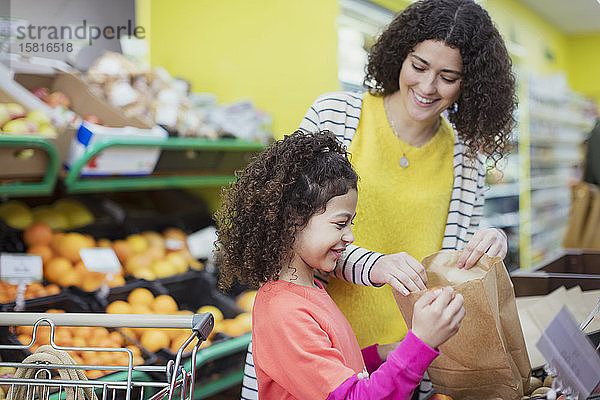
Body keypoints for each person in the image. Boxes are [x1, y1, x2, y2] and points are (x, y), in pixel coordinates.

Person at [240, 0, 515, 398]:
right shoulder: (335, 115)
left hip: (403, 357)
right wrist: (376, 265)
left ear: (470, 84)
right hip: (319, 348)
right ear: (399, 55)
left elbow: (451, 269)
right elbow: (289, 224)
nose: (426, 86)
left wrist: (488, 249)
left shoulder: (466, 160)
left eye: (447, 76)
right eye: (418, 67)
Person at [216, 130, 466, 399]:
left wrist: (382, 355)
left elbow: (334, 374)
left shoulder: (308, 290)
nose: (350, 237)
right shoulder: (284, 312)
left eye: (350, 223)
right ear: (292, 221)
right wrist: (421, 343)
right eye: (340, 223)